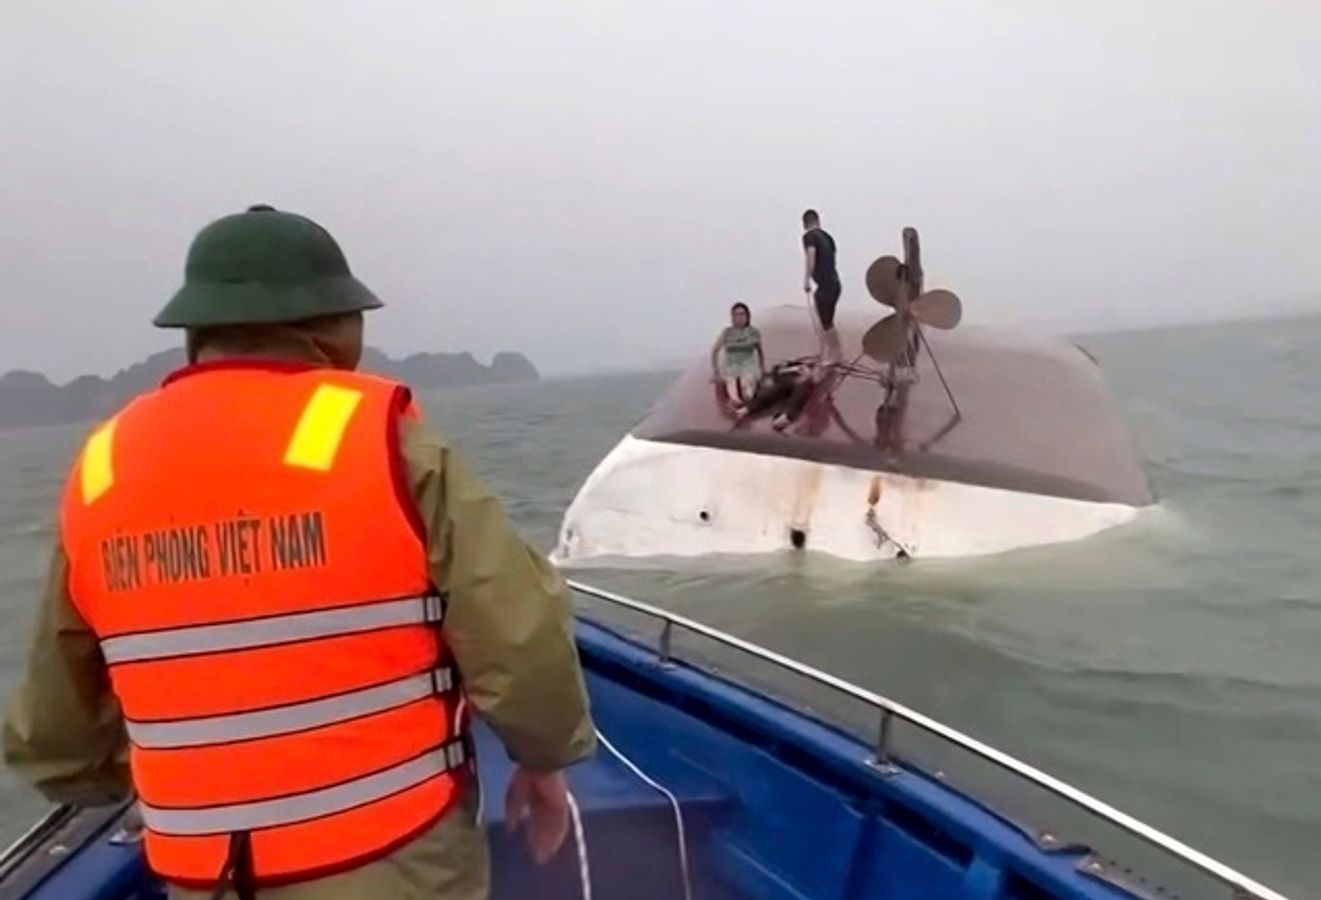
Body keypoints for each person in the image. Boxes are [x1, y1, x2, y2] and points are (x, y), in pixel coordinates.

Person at [2, 205, 595, 900]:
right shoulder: (384, 438)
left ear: (197, 331)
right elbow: (517, 635)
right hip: (389, 858)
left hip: (200, 871)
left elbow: (55, 721)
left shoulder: (103, 466)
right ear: (329, 327)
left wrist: (133, 780)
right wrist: (544, 757)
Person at [801, 209, 843, 361]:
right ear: (818, 221)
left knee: (826, 323)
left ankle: (834, 354)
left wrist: (807, 279)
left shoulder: (809, 237)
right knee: (827, 321)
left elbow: (811, 256)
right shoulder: (828, 238)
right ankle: (831, 353)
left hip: (826, 285)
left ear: (804, 224)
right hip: (835, 283)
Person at [709, 302, 764, 412]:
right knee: (733, 392)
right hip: (731, 366)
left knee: (747, 390)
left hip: (748, 365)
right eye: (736, 315)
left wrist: (762, 369)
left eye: (742, 314)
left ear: (747, 316)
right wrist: (716, 372)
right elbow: (715, 350)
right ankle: (735, 402)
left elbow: (759, 351)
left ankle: (747, 406)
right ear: (732, 317)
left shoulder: (753, 332)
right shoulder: (727, 332)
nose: (739, 318)